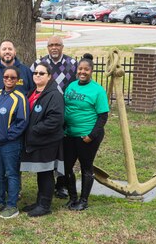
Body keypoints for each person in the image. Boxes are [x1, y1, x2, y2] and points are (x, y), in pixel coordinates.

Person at [0, 40, 34, 201]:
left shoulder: (24, 71)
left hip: (14, 128)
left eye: (10, 48)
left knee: (12, 164)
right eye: (4, 49)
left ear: (15, 52)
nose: (7, 51)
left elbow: (30, 94)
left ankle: (14, 191)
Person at [31, 35, 77, 199]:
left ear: (62, 46)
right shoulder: (39, 64)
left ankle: (62, 185)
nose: (54, 47)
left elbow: (76, 86)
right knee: (49, 153)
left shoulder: (72, 64)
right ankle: (47, 188)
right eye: (51, 45)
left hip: (65, 113)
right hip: (45, 113)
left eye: (57, 44)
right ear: (47, 47)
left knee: (64, 153)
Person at [63, 53, 109, 211]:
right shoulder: (71, 86)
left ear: (91, 71)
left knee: (86, 167)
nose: (82, 72)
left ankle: (83, 200)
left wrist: (91, 135)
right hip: (69, 134)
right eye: (80, 69)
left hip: (86, 137)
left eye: (86, 70)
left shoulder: (98, 91)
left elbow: (103, 116)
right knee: (67, 166)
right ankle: (72, 197)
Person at [20, 61, 64, 217]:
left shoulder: (54, 95)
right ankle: (39, 202)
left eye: (41, 73)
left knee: (46, 172)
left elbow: (55, 119)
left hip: (47, 142)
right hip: (36, 141)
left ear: (49, 76)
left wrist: (33, 129)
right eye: (35, 73)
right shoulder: (32, 92)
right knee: (41, 172)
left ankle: (45, 205)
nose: (37, 75)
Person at [0, 66, 29, 219]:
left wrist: (7, 136)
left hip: (10, 144)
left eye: (12, 78)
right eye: (6, 77)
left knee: (11, 173)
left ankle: (11, 205)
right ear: (2, 78)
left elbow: (22, 122)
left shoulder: (20, 97)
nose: (9, 80)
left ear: (17, 80)